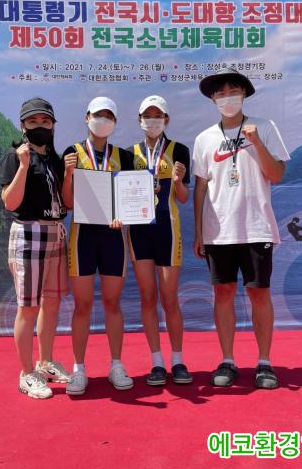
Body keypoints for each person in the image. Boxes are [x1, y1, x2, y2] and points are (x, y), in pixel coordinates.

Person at [192, 68, 290, 389]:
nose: (227, 97)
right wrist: (198, 232)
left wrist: (256, 142)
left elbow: (276, 174)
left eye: (233, 91)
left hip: (256, 227)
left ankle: (265, 362)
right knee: (223, 293)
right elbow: (200, 187)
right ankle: (227, 360)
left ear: (244, 94)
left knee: (259, 293)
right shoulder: (204, 138)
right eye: (220, 93)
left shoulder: (264, 126)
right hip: (218, 231)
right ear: (213, 99)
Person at [62, 96, 134, 395]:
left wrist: (124, 214)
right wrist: (68, 174)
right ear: (86, 117)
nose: (102, 120)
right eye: (97, 115)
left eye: (108, 116)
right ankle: (79, 368)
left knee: (112, 303)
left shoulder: (124, 156)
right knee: (83, 305)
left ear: (114, 123)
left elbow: (130, 199)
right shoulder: (72, 153)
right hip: (83, 237)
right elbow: (67, 203)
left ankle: (116, 364)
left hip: (114, 237)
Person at [1, 97, 71, 399]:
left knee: (51, 302)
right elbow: (10, 202)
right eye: (33, 121)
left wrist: (69, 174)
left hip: (56, 232)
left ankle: (45, 362)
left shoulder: (56, 159)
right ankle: (26, 373)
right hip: (28, 233)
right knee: (28, 307)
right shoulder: (15, 156)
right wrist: (23, 165)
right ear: (23, 125)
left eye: (45, 121)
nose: (39, 126)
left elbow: (67, 201)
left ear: (53, 125)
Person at [127, 95, 192, 386]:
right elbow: (122, 195)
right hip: (139, 232)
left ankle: (177, 360)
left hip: (168, 229)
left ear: (166, 120)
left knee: (169, 298)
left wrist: (177, 182)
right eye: (147, 115)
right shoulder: (129, 154)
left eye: (158, 115)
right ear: (140, 119)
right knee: (147, 297)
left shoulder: (179, 150)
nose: (152, 120)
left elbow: (184, 198)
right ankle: (156, 362)